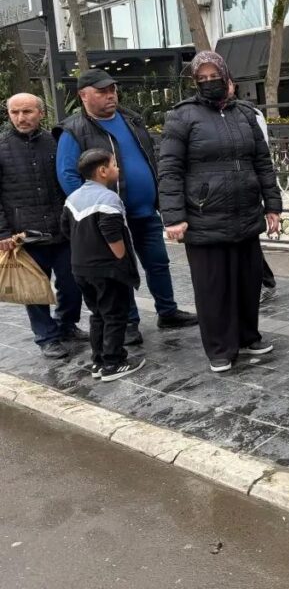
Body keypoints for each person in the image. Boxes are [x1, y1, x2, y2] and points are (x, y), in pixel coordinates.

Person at [158, 51, 283, 373]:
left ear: (227, 76)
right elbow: (170, 168)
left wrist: (273, 205)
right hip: (204, 216)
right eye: (202, 78)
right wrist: (173, 216)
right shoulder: (182, 117)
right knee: (214, 287)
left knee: (247, 281)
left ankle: (247, 336)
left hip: (244, 213)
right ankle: (220, 348)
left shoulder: (245, 114)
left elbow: (262, 162)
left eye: (215, 76)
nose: (210, 82)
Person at [56, 69, 197, 345]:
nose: (110, 95)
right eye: (102, 91)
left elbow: (149, 158)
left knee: (158, 262)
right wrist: (95, 212)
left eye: (112, 90)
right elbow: (68, 176)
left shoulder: (131, 119)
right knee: (120, 269)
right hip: (109, 218)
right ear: (83, 96)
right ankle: (129, 322)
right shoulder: (73, 130)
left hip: (145, 210)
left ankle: (167, 311)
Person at [0, 93, 84, 358]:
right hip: (23, 234)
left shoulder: (57, 143)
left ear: (41, 113)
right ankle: (46, 336)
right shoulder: (1, 147)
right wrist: (3, 233)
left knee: (72, 284)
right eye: (15, 113)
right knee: (34, 291)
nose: (21, 118)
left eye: (27, 112)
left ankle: (67, 324)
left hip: (62, 230)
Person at [61, 149, 145, 381]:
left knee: (97, 314)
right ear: (102, 171)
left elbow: (65, 230)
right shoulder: (108, 198)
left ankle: (98, 360)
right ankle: (113, 363)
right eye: (114, 164)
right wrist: (120, 257)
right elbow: (111, 230)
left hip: (81, 269)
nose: (117, 169)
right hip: (107, 270)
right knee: (115, 314)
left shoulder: (72, 198)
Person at [229, 80, 278, 306]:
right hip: (226, 190)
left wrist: (270, 201)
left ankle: (262, 282)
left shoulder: (250, 113)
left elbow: (262, 152)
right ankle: (262, 281)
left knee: (249, 240)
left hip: (249, 184)